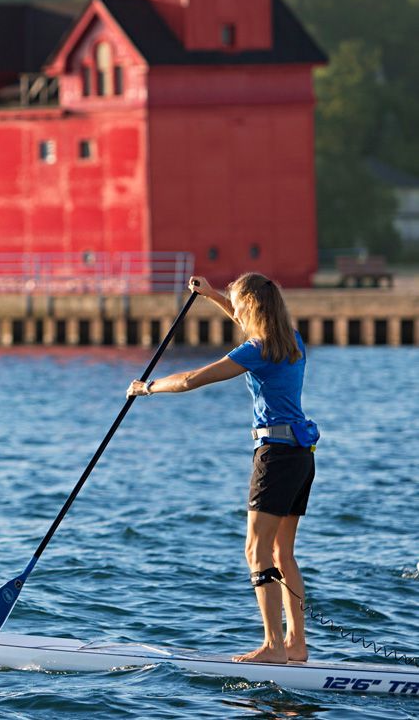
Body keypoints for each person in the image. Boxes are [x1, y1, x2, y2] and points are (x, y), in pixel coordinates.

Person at [127, 272, 318, 664]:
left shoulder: (256, 349)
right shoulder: (292, 341)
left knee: (256, 550)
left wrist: (147, 387)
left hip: (275, 457)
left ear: (251, 309)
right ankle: (295, 644)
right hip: (301, 456)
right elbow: (244, 318)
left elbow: (191, 379)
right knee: (283, 553)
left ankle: (272, 646)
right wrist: (213, 295)